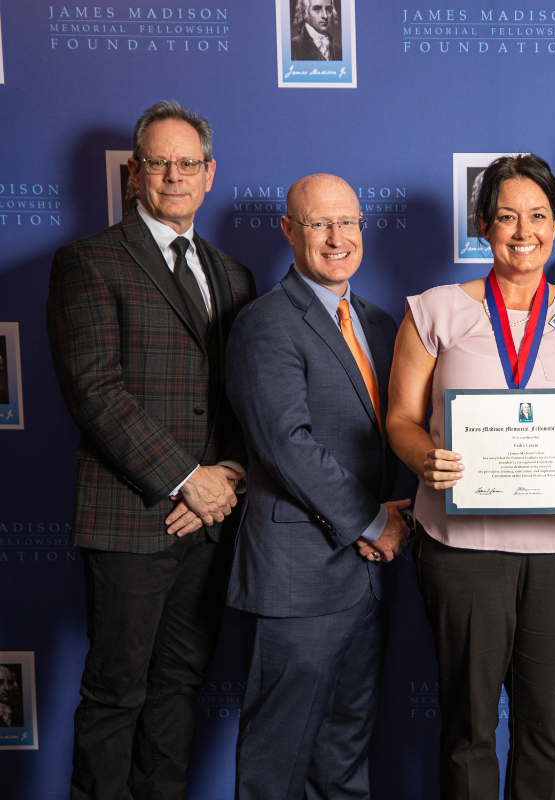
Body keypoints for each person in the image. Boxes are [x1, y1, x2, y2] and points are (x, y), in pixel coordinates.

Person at [388, 154, 555, 800]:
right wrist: (424, 458)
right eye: (505, 217)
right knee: (468, 728)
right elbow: (399, 421)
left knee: (547, 726)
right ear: (482, 226)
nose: (521, 231)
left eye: (536, 216)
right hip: (461, 552)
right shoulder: (435, 311)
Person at [46, 101, 255, 800]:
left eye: (188, 163)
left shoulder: (233, 275)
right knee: (116, 696)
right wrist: (185, 480)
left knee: (177, 693)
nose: (174, 175)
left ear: (209, 174)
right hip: (130, 519)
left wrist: (222, 478)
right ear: (135, 173)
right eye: (159, 163)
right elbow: (96, 392)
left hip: (209, 522)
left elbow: (239, 398)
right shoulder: (89, 262)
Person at [225, 174, 414, 800]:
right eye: (319, 225)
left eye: (349, 223)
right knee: (275, 763)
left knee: (344, 753)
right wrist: (374, 522)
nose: (338, 238)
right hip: (298, 578)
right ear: (289, 230)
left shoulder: (381, 324)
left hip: (366, 577)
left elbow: (396, 434)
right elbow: (287, 446)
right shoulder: (266, 323)